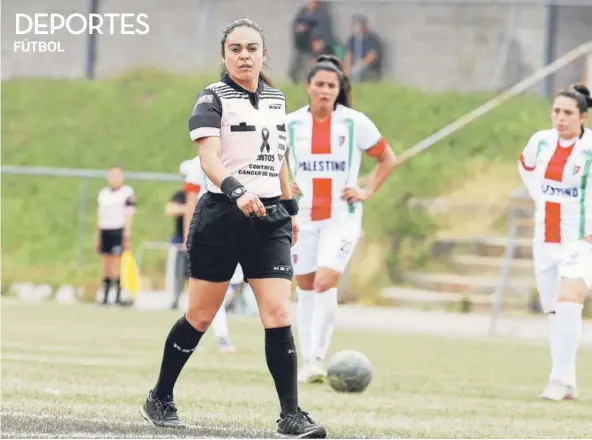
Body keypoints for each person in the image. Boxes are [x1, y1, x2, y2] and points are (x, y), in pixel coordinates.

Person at [140, 18, 326, 438]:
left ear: (264, 54)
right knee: (200, 316)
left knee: (278, 313)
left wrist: (290, 205)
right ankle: (160, 396)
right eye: (236, 49)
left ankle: (291, 415)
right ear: (225, 56)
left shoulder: (276, 99)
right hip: (222, 216)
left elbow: (278, 156)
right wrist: (238, 190)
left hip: (269, 220)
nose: (244, 55)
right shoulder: (213, 96)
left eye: (252, 48)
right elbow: (208, 158)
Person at [285, 57, 397, 383]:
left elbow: (386, 158)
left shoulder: (354, 123)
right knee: (305, 287)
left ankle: (319, 357)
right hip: (302, 217)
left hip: (340, 216)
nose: (324, 90)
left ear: (338, 90)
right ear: (308, 87)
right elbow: (273, 162)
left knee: (325, 281)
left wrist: (365, 190)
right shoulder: (290, 124)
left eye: (331, 86)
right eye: (319, 84)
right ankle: (308, 362)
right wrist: (284, 187)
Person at [518, 83, 592, 400]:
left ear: (583, 117)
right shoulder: (540, 142)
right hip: (545, 236)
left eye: (568, 113)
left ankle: (558, 381)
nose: (560, 118)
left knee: (569, 299)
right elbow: (525, 167)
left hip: (581, 237)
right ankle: (568, 382)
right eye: (556, 111)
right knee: (554, 311)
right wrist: (539, 198)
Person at [167, 157, 237, 353]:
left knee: (225, 290)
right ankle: (219, 337)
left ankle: (191, 334)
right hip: (209, 231)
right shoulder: (197, 164)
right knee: (209, 289)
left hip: (236, 230)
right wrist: (190, 235)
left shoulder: (239, 154)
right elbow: (190, 203)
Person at [94, 166, 136, 305]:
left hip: (118, 229)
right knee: (105, 262)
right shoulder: (103, 193)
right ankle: (105, 295)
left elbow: (128, 214)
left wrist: (126, 234)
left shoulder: (127, 192)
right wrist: (97, 236)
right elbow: (100, 216)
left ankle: (117, 294)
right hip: (105, 229)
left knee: (116, 263)